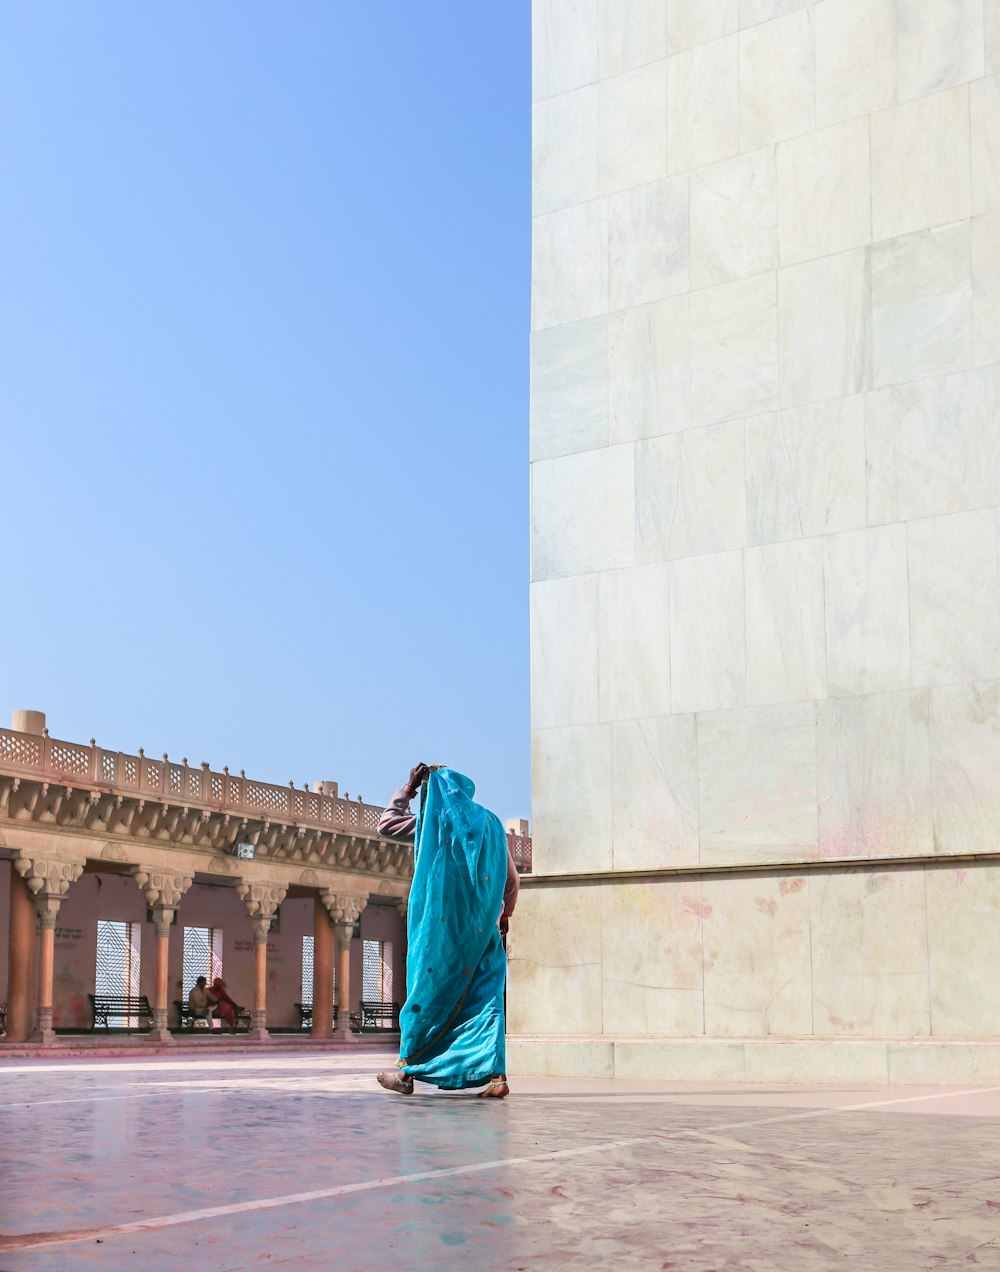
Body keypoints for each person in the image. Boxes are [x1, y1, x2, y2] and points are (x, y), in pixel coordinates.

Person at [375, 762, 519, 1099]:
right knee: (486, 1001)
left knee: (426, 996)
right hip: (485, 932)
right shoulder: (492, 825)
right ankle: (497, 1079)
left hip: (439, 937)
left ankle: (407, 1074)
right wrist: (504, 917)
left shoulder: (432, 823)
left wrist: (407, 790)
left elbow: (386, 825)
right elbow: (511, 881)